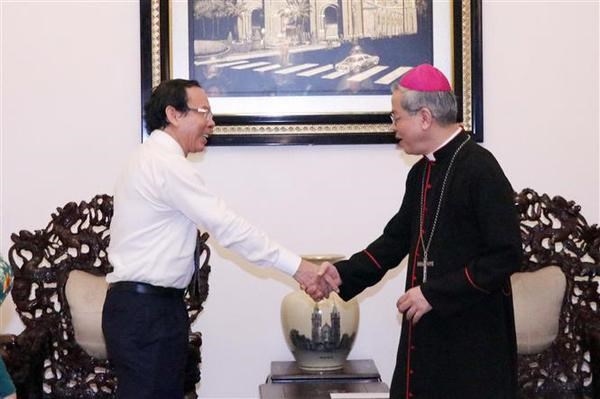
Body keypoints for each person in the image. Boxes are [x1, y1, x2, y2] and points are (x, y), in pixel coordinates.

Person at [102, 79, 337, 398]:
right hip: (148, 313)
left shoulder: (149, 158)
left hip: (145, 310)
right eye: (204, 112)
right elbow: (228, 226)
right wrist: (299, 267)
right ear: (173, 114)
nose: (211, 123)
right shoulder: (164, 164)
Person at [321, 64, 522, 398]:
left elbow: (506, 255)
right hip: (428, 328)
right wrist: (341, 274)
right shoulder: (420, 174)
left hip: (473, 335)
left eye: (396, 117)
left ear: (424, 117)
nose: (394, 126)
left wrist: (435, 293)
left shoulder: (481, 168)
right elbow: (396, 240)